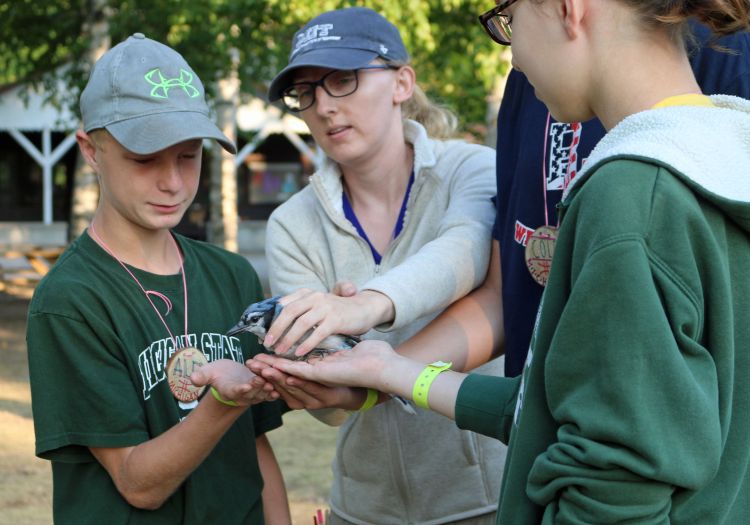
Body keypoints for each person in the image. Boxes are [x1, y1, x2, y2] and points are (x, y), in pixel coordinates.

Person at [256, 1, 750, 523]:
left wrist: (369, 316)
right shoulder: (722, 150)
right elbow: (555, 409)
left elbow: (613, 480)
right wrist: (391, 370)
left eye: (509, 19)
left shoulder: (629, 194)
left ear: (567, 9)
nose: (512, 53)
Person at [255, 7, 505, 525]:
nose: (323, 105)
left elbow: (465, 249)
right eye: (306, 92)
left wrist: (362, 310)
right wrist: (320, 380)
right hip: (365, 511)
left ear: (401, 82)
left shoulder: (473, 169)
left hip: (489, 500)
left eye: (342, 80)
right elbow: (325, 407)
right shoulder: (290, 224)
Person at [26, 33, 290, 524]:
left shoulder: (232, 275)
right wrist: (220, 402)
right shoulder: (70, 300)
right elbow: (136, 483)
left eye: (189, 156)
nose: (172, 182)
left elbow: (256, 446)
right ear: (91, 149)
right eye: (144, 159)